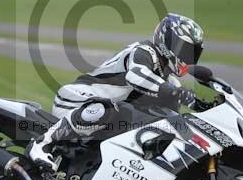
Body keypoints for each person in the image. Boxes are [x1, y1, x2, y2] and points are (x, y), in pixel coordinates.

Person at [27, 13, 210, 171]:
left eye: (192, 53)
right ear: (166, 40)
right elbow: (136, 77)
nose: (186, 57)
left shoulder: (170, 83)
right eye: (184, 49)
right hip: (76, 100)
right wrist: (177, 93)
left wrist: (197, 138)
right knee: (107, 109)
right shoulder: (144, 51)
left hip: (104, 120)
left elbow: (170, 120)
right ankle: (42, 143)